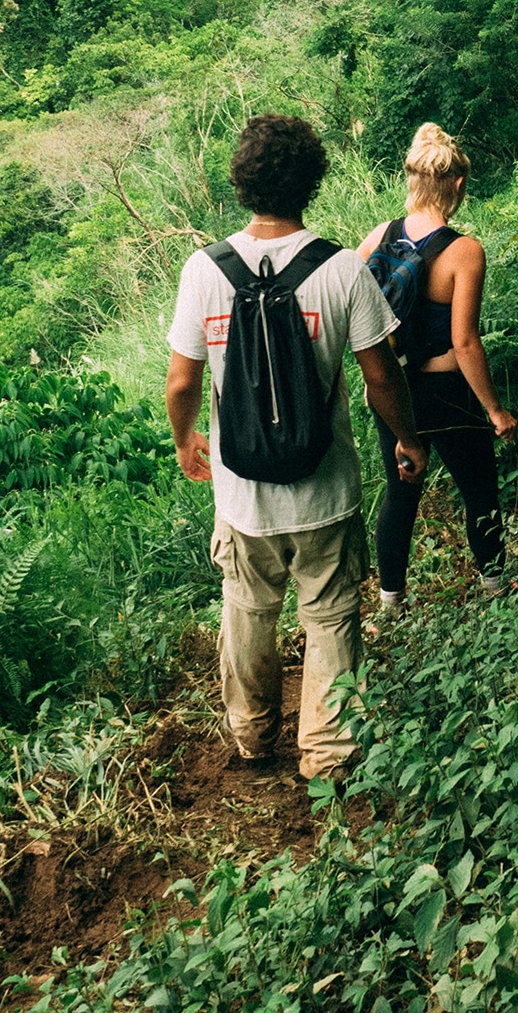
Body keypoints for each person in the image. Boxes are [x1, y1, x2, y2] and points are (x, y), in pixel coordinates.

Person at [165, 114, 430, 782]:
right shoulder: (341, 268)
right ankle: (329, 756)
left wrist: (186, 440)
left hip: (243, 492)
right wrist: (408, 438)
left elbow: (180, 381)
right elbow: (379, 377)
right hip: (326, 488)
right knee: (332, 616)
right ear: (312, 182)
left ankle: (252, 739)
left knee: (247, 612)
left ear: (241, 181)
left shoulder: (204, 270)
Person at [357, 124, 518, 621]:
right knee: (478, 488)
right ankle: (495, 587)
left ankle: (391, 604)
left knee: (401, 491)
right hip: (448, 388)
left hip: (394, 388)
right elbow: (465, 341)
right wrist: (494, 407)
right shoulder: (463, 250)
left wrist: (372, 384)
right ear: (455, 185)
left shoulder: (374, 239)